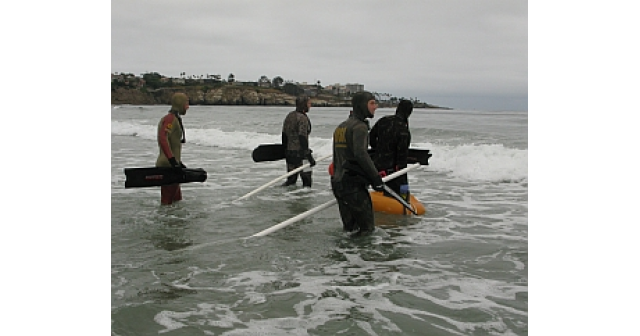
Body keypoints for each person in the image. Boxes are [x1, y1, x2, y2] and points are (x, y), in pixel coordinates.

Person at [330, 91, 385, 236]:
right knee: (367, 230)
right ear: (362, 105)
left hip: (337, 183)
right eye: (372, 103)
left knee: (350, 229)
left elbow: (337, 158)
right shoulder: (360, 127)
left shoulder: (341, 127)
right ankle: (362, 258)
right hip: (352, 185)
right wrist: (375, 178)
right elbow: (361, 154)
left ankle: (347, 255)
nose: (375, 107)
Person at [369, 99, 414, 200]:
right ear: (409, 112)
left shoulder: (384, 120)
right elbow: (402, 153)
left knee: (383, 186)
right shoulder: (403, 130)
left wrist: (376, 149)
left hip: (377, 163)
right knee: (403, 183)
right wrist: (400, 167)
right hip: (392, 167)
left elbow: (371, 136)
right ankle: (404, 200)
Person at [156, 92, 189, 205]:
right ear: (180, 104)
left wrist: (178, 162)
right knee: (167, 201)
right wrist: (172, 160)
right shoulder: (170, 119)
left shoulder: (175, 118)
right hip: (167, 165)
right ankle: (165, 222)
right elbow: (162, 138)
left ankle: (174, 222)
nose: (188, 106)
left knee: (177, 200)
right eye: (186, 103)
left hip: (173, 165)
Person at [281, 96, 316, 187]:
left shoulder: (289, 116)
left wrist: (284, 150)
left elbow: (284, 135)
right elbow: (302, 137)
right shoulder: (303, 118)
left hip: (290, 153)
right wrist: (309, 156)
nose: (310, 106)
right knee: (307, 182)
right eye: (309, 103)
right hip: (302, 155)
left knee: (291, 180)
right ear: (304, 105)